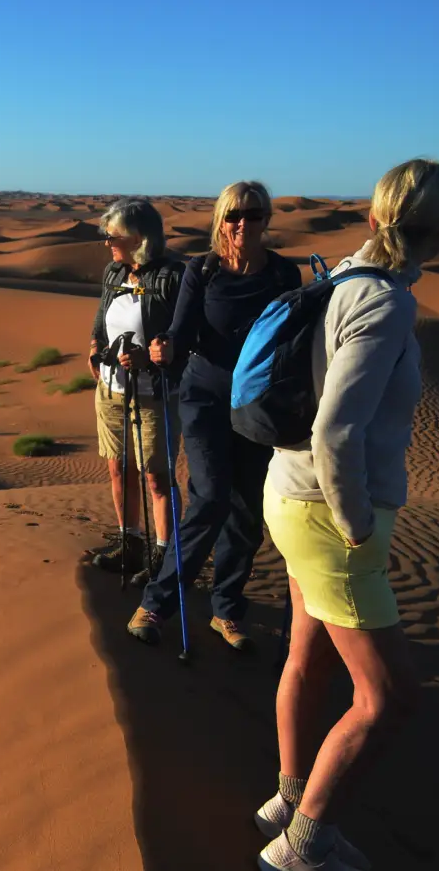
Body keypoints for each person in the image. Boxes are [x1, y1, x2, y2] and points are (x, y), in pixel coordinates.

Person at [254, 160, 439, 871]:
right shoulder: (384, 304)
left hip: (289, 495)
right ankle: (303, 847)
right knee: (389, 698)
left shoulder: (345, 276)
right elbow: (336, 430)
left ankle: (289, 800)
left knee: (307, 658)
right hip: (327, 514)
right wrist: (356, 526)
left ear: (375, 219)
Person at [127, 182, 302, 650]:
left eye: (254, 214)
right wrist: (161, 350)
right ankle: (157, 603)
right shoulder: (202, 272)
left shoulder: (284, 275)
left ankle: (226, 610)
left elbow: (293, 344)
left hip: (258, 407)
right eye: (233, 215)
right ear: (221, 220)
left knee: (246, 512)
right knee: (209, 499)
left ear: (267, 219)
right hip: (205, 399)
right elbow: (181, 335)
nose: (243, 223)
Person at [86, 197, 185, 580]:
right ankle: (131, 543)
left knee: (157, 476)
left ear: (138, 236)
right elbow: (101, 320)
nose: (106, 240)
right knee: (118, 469)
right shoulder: (115, 272)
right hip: (111, 391)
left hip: (153, 393)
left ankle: (164, 556)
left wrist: (153, 357)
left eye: (112, 234)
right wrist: (95, 348)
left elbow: (187, 336)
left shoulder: (173, 277)